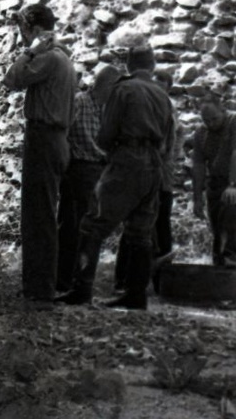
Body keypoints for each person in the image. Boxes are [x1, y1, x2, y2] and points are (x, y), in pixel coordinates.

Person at [57, 43, 173, 310]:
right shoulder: (162, 94)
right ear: (152, 66)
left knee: (92, 225)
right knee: (140, 232)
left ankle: (81, 288)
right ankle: (136, 294)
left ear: (130, 66)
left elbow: (106, 133)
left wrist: (114, 155)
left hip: (127, 159)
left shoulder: (124, 89)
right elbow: (167, 137)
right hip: (154, 163)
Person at [4, 2, 77, 309]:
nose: (21, 38)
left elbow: (12, 78)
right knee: (43, 214)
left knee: (38, 216)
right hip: (56, 139)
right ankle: (41, 287)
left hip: (45, 138)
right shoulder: (63, 58)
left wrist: (30, 50)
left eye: (23, 32)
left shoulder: (47, 57)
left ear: (34, 30)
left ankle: (41, 292)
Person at [113, 70, 183, 293]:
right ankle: (123, 280)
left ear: (168, 88)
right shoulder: (145, 109)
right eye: (156, 84)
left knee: (162, 228)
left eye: (162, 85)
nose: (158, 89)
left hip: (161, 178)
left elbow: (170, 150)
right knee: (133, 227)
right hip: (143, 176)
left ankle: (163, 282)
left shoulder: (171, 115)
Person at [56, 63, 122, 293]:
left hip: (99, 172)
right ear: (105, 86)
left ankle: (81, 279)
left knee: (90, 228)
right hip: (79, 169)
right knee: (72, 226)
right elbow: (63, 133)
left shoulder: (106, 110)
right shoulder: (80, 102)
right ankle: (65, 279)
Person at [192, 93, 236, 269]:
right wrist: (197, 197)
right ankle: (219, 267)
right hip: (216, 181)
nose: (211, 124)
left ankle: (233, 261)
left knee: (231, 209)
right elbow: (198, 164)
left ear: (223, 109)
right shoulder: (200, 132)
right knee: (217, 226)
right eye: (206, 120)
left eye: (214, 119)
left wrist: (232, 185)